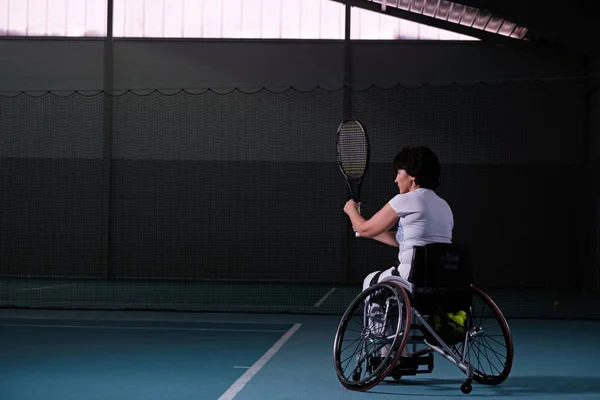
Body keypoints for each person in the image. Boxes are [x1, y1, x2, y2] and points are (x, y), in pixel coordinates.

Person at [343, 146, 454, 292]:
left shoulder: (405, 200)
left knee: (370, 280)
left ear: (413, 175)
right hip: (443, 278)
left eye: (399, 172)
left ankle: (385, 315)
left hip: (411, 277)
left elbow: (365, 228)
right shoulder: (444, 206)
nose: (396, 180)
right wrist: (367, 230)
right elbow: (406, 239)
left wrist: (351, 210)